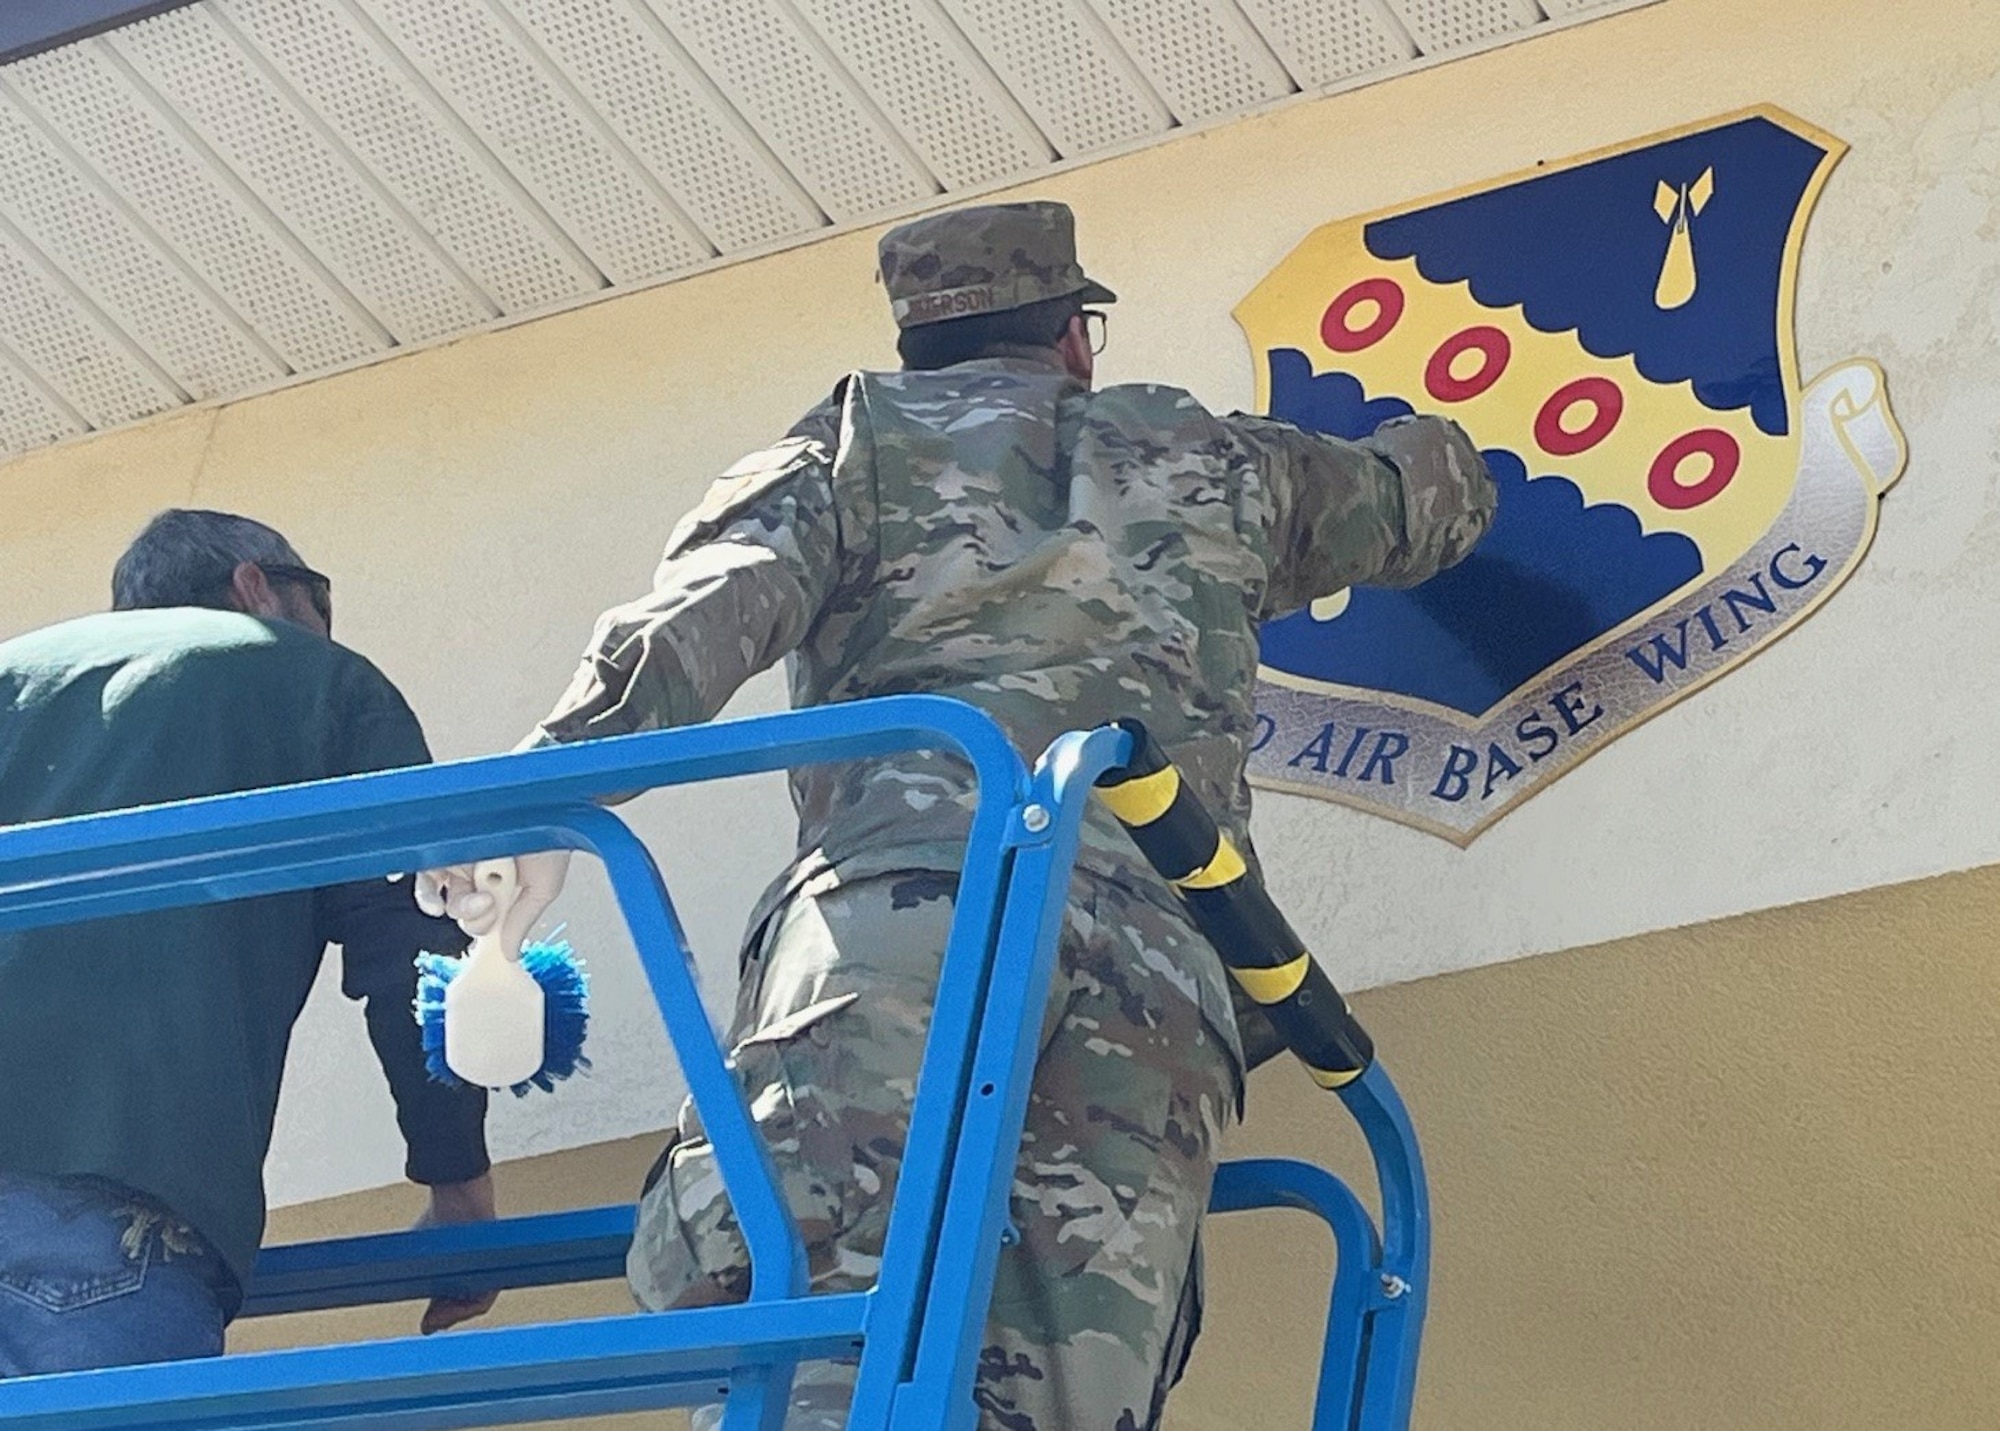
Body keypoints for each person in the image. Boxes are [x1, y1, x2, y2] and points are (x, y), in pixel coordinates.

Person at [426, 199, 1495, 1428]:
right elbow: (1426, 500)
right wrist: (1435, 438)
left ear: (913, 340)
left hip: (908, 918)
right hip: (1154, 970)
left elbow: (701, 616)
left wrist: (542, 796)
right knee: (1054, 1386)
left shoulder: (850, 442)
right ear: (1075, 335)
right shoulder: (1212, 459)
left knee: (823, 1332)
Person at [0, 510, 498, 1379]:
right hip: (115, 1203)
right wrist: (456, 1180)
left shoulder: (15, 679)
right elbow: (412, 937)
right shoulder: (314, 678)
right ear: (255, 585)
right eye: (321, 601)